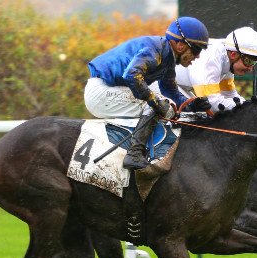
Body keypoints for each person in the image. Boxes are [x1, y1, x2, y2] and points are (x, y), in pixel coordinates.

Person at [85, 16, 212, 170]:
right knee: (157, 103)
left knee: (162, 102)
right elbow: (132, 75)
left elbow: (171, 91)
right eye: (196, 49)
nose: (198, 56)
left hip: (108, 90)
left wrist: (192, 105)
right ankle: (134, 154)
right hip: (101, 91)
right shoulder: (154, 50)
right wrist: (155, 102)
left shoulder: (166, 57)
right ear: (180, 45)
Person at [175, 26, 257, 114]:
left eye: (254, 63)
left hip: (181, 85)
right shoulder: (212, 60)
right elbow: (212, 104)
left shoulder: (227, 59)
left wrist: (247, 104)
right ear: (233, 55)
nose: (250, 68)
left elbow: (228, 95)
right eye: (249, 61)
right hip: (169, 85)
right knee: (196, 113)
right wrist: (247, 107)